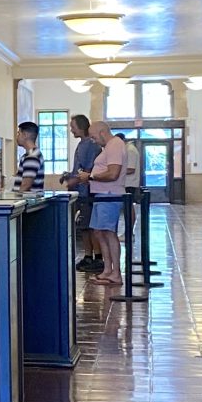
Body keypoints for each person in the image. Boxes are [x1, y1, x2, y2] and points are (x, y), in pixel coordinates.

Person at [78, 120, 128, 286]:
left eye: (93, 136)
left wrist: (90, 177)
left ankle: (116, 273)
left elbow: (113, 173)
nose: (93, 140)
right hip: (102, 194)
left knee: (108, 232)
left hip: (109, 194)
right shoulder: (109, 147)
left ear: (102, 132)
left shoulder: (115, 145)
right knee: (99, 232)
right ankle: (108, 269)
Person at [61, 115, 103, 273]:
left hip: (87, 191)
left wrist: (75, 180)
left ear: (81, 126)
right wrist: (69, 176)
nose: (71, 129)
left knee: (90, 226)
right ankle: (88, 255)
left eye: (73, 126)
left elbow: (89, 169)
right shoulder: (83, 144)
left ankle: (97, 257)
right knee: (84, 226)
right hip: (81, 191)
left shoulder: (91, 145)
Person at [13, 121, 45, 193]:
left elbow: (26, 185)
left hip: (27, 201)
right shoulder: (32, 154)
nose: (17, 136)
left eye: (19, 133)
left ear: (25, 135)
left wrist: (14, 199)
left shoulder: (32, 157)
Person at [117, 132, 141, 203]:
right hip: (126, 183)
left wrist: (116, 172)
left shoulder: (130, 150)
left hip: (129, 183)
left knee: (128, 205)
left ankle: (130, 215)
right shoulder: (126, 149)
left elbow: (131, 169)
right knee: (127, 205)